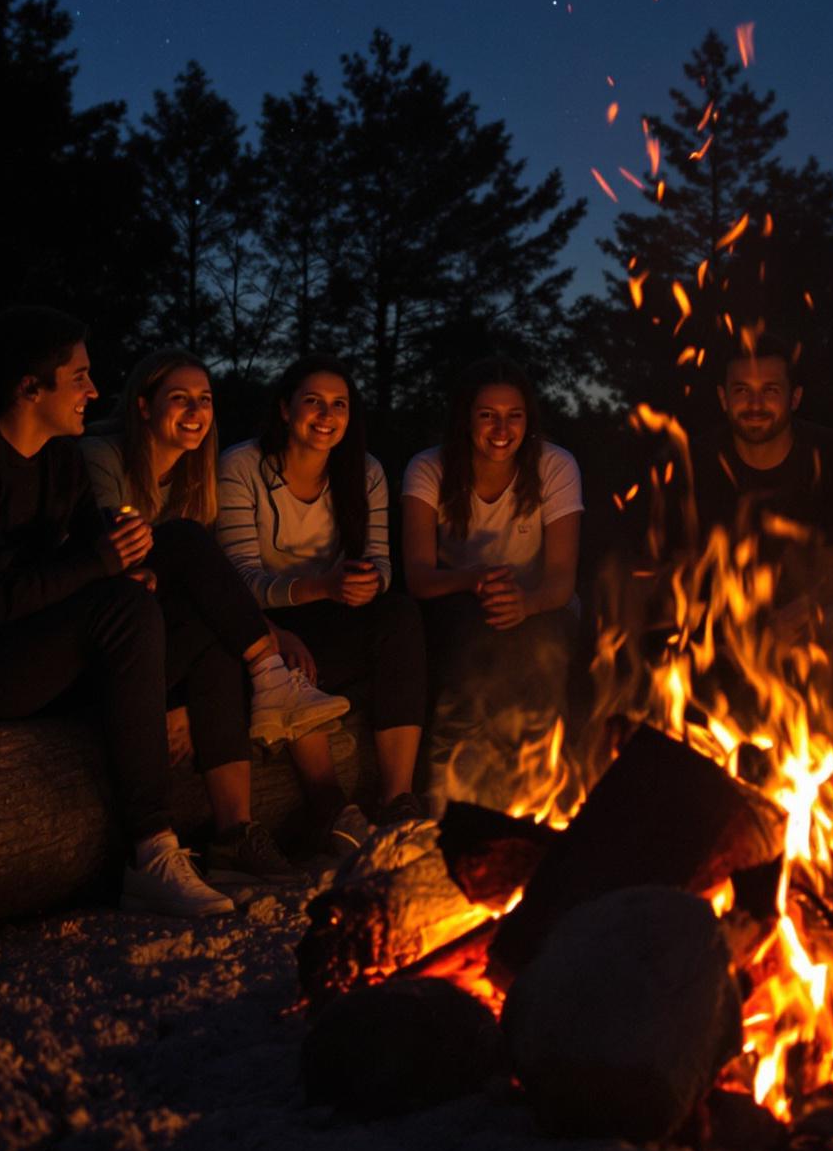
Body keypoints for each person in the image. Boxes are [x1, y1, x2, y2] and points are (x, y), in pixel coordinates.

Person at [0, 306, 229, 918]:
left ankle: (261, 683)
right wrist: (104, 565)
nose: (94, 390)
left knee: (179, 551)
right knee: (122, 608)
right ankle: (151, 851)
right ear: (31, 388)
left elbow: (89, 545)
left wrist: (127, 555)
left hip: (14, 651)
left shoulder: (58, 455)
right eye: (78, 377)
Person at [82, 347, 356, 882]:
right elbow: (121, 568)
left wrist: (270, 633)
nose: (195, 411)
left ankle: (235, 836)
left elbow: (209, 590)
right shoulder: (100, 456)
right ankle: (270, 678)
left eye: (204, 400)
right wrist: (167, 698)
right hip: (106, 644)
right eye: (178, 398)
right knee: (181, 543)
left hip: (167, 643)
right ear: (143, 406)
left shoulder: (193, 479)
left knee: (217, 637)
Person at [216, 356, 428, 826]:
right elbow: (238, 582)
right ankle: (328, 808)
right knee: (284, 662)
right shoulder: (242, 466)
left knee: (399, 615)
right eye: (313, 402)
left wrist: (368, 583)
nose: (327, 416)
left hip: (331, 615)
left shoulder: (364, 471)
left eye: (339, 405)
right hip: (259, 624)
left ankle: (398, 797)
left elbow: (382, 563)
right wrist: (321, 587)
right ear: (286, 410)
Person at [401, 357, 584, 810]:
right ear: (467, 419)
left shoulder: (555, 466)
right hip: (454, 599)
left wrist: (526, 603)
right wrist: (476, 580)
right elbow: (419, 577)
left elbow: (561, 579)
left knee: (544, 644)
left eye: (513, 416)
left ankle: (538, 790)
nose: (501, 428)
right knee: (470, 635)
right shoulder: (428, 469)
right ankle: (443, 792)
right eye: (487, 415)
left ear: (528, 421)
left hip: (537, 601)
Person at [677, 333, 833, 619]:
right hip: (716, 629)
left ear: (794, 397)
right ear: (723, 398)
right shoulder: (690, 468)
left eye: (770, 390)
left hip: (825, 622)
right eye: (741, 391)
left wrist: (791, 621)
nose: (755, 404)